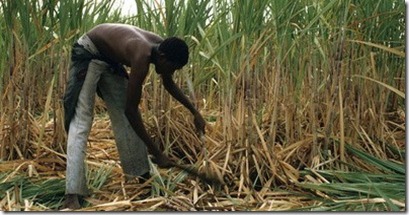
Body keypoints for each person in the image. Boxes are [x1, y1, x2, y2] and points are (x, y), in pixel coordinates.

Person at [62, 23, 206, 209]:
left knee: (124, 120)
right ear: (162, 57)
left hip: (110, 60)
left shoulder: (163, 47)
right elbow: (131, 111)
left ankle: (141, 176)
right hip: (88, 52)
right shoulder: (141, 56)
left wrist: (194, 112)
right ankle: (72, 194)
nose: (171, 72)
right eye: (172, 68)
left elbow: (168, 84)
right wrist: (157, 152)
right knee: (81, 121)